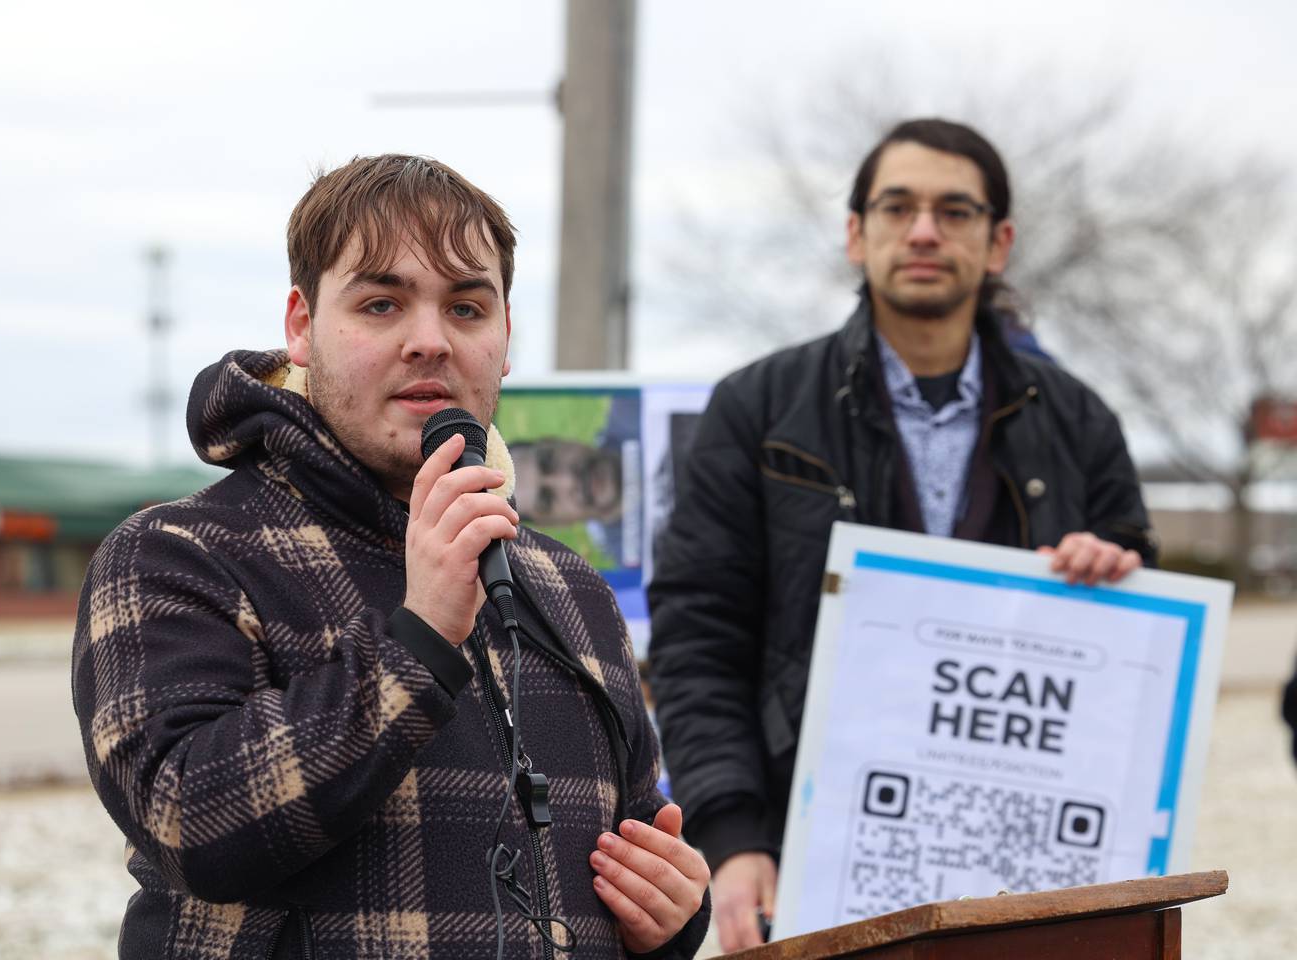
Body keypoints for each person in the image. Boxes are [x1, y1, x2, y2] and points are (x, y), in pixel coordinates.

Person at [72, 155, 709, 959]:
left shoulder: (570, 587)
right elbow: (188, 821)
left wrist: (671, 912)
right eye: (381, 304)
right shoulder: (176, 556)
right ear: (301, 326)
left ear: (505, 338)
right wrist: (420, 643)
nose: (430, 342)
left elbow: (633, 849)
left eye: (468, 308)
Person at [646, 118, 1157, 952]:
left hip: (1029, 865)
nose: (924, 230)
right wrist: (733, 836)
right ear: (857, 233)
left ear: (998, 244)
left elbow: (1137, 657)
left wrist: (1116, 578)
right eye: (898, 207)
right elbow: (699, 637)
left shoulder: (1081, 421)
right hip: (812, 849)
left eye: (955, 211)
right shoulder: (757, 407)